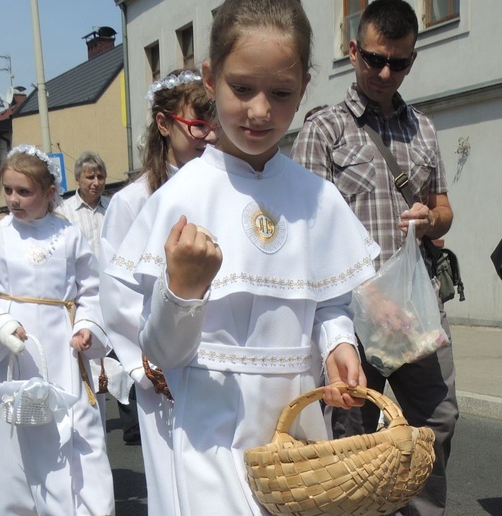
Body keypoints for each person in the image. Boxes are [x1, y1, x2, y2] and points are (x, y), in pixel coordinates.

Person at [106, 1, 379, 513]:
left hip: (293, 430)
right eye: (242, 88)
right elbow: (162, 351)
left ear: (303, 89)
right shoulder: (179, 198)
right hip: (210, 421)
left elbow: (329, 305)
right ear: (211, 79)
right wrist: (182, 289)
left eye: (280, 94)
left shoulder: (316, 196)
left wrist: (338, 345)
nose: (260, 111)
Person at [291, 1, 456, 514]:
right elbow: (307, 237)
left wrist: (432, 219)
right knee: (353, 432)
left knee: (436, 420)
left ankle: (420, 509)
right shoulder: (324, 131)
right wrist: (363, 298)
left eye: (400, 62)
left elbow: (445, 209)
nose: (386, 73)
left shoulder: (423, 129)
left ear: (413, 58)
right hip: (350, 313)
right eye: (376, 60)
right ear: (353, 51)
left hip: (414, 308)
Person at [0, 144, 115, 515]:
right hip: (16, 348)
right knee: (19, 430)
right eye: (8, 190)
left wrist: (87, 325)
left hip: (61, 344)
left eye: (23, 192)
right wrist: (2, 323)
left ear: (48, 193)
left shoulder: (68, 234)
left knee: (74, 426)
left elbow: (91, 288)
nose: (13, 199)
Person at [100, 67, 217, 512]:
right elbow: (117, 291)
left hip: (214, 355)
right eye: (196, 125)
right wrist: (144, 364)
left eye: (212, 125)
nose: (206, 136)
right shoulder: (135, 200)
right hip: (162, 365)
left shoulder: (219, 188)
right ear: (165, 124)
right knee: (173, 477)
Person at [55, 151, 109, 258]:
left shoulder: (113, 207)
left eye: (100, 177)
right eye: (90, 177)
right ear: (77, 179)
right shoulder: (62, 213)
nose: (96, 183)